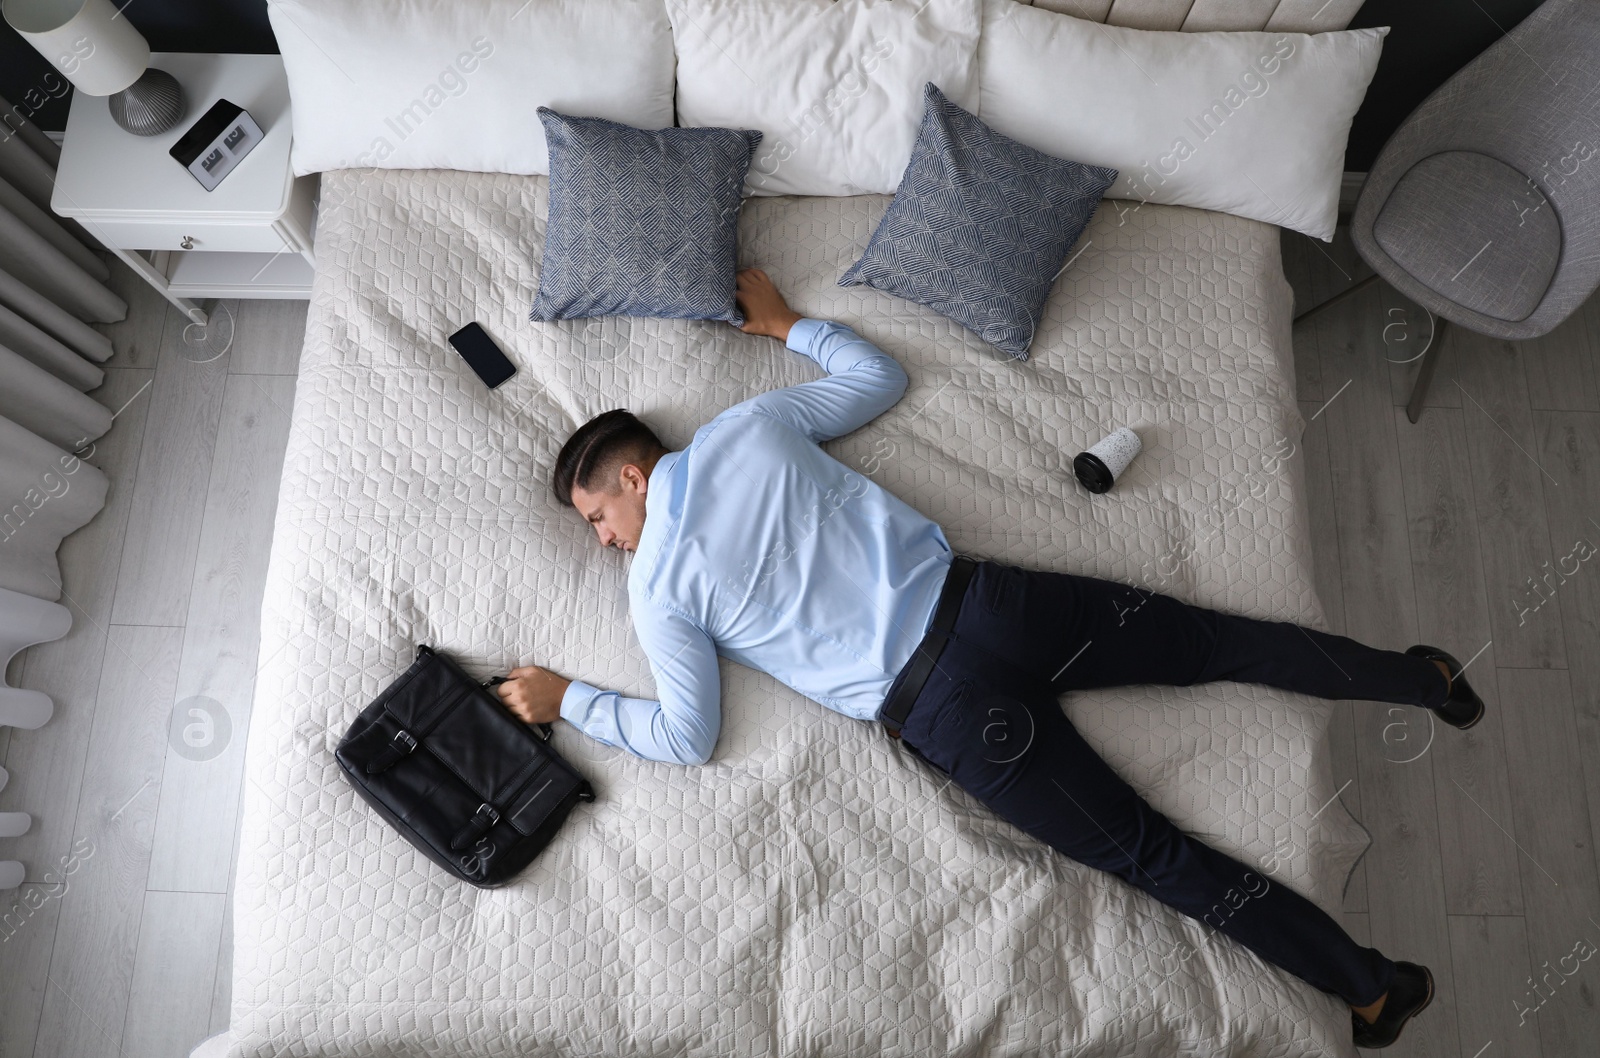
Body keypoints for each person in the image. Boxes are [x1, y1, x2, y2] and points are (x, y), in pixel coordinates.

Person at [497, 268, 1483, 1050]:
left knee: (1154, 854)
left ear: (630, 476)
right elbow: (881, 379)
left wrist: (570, 697)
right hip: (995, 604)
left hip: (950, 712)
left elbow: (687, 733)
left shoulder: (657, 589)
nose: (602, 540)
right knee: (1214, 640)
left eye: (596, 517)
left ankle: (1369, 987)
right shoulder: (747, 428)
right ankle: (1420, 679)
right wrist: (787, 323)